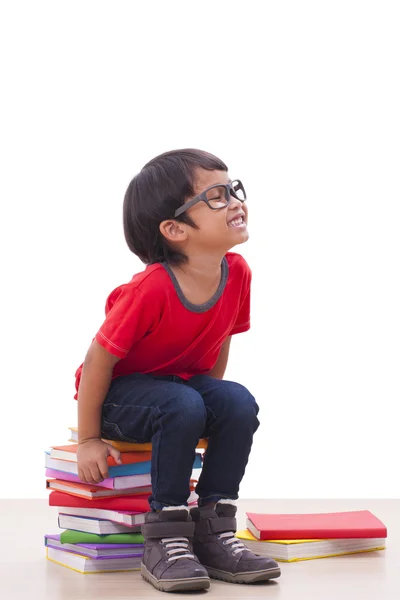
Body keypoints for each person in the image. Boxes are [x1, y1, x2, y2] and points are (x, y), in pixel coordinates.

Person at [74, 149, 280, 592]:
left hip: (177, 387)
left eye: (233, 189)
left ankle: (215, 529)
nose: (235, 201)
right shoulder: (151, 288)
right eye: (217, 196)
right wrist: (90, 438)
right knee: (182, 402)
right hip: (120, 395)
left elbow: (221, 339)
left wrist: (215, 409)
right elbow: (98, 361)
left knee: (237, 401)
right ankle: (165, 536)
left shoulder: (237, 272)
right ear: (175, 230)